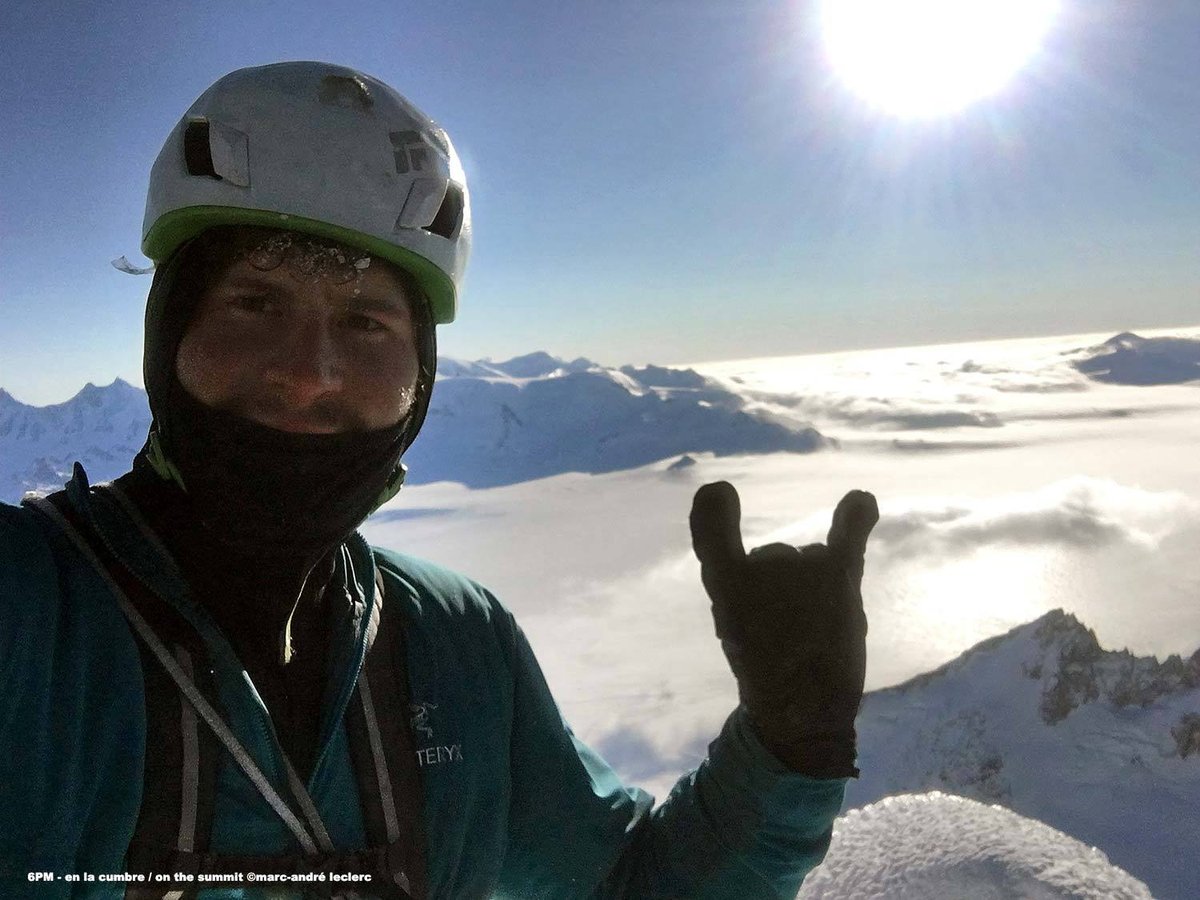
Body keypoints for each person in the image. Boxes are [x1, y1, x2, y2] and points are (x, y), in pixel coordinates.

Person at [0, 61, 878, 899]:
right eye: (256, 302)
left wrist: (788, 748)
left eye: (367, 322)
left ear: (421, 371)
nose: (311, 374)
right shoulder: (27, 612)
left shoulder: (457, 646)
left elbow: (621, 885)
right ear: (170, 330)